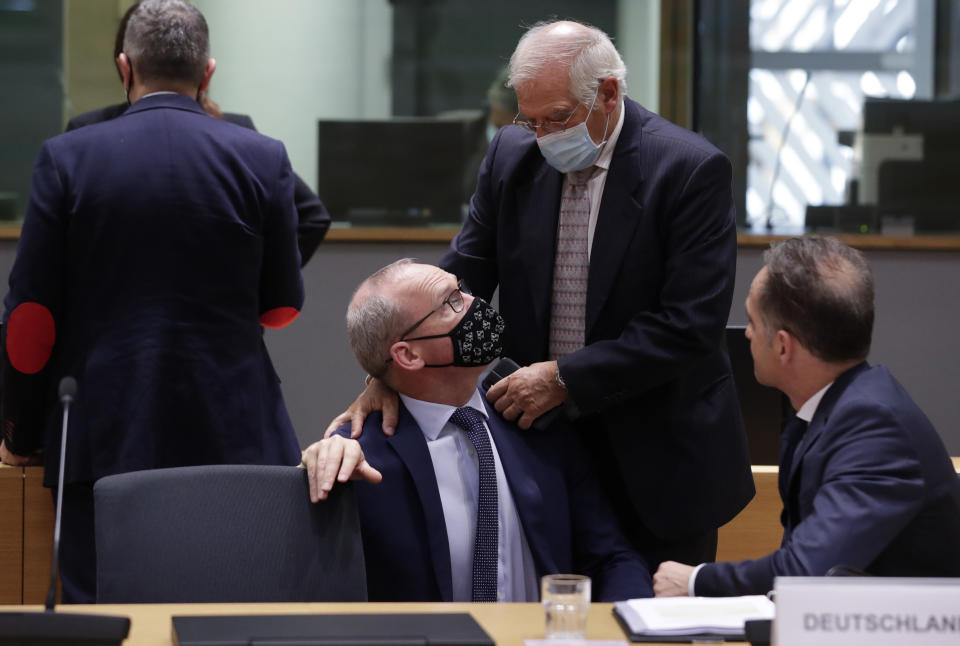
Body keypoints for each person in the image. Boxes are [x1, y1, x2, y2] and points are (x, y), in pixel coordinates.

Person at [329, 19, 754, 572]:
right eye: (529, 120)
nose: (544, 136)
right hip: (538, 440)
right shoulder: (513, 154)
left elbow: (687, 326)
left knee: (648, 615)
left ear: (608, 92)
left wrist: (564, 378)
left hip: (658, 451)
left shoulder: (687, 169)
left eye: (557, 118)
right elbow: (461, 276)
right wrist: (388, 372)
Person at [0, 0, 304, 603]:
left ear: (124, 67)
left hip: (104, 434)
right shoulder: (263, 157)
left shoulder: (68, 158)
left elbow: (29, 323)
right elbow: (282, 306)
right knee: (231, 609)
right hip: (236, 436)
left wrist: (22, 431)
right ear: (208, 73)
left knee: (111, 615)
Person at [302, 260, 652, 602]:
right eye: (450, 302)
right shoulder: (360, 458)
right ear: (408, 355)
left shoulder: (535, 420)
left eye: (463, 289)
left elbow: (613, 558)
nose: (475, 304)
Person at [653, 237, 960, 597]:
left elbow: (806, 571)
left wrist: (694, 581)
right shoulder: (842, 406)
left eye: (752, 320)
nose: (747, 333)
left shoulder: (875, 428)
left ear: (783, 345)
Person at [63, 1, 330, 266]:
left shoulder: (85, 136)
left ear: (125, 67)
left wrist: (258, 281)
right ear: (205, 71)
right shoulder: (241, 137)